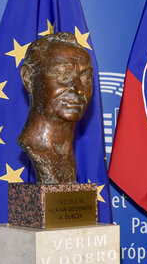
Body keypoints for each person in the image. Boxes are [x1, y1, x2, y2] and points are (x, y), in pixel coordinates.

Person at [17, 32, 93, 184]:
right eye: (63, 74)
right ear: (28, 79)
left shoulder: (67, 157)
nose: (79, 90)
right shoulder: (35, 148)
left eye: (86, 78)